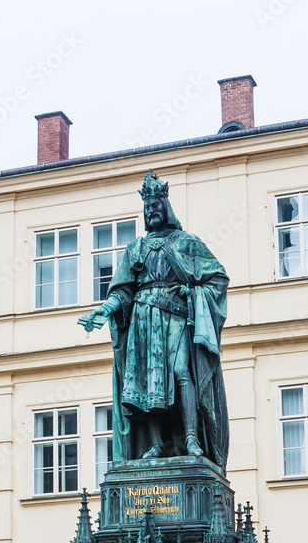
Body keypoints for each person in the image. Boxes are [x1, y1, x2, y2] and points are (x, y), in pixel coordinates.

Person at [80, 170, 229, 472]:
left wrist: (193, 292)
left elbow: (218, 279)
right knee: (147, 384)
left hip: (175, 317)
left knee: (180, 372)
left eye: (155, 206)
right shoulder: (135, 248)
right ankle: (154, 444)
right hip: (143, 322)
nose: (151, 211)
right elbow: (122, 290)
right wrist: (104, 309)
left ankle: (191, 439)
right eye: (147, 208)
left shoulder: (187, 243)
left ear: (165, 207)